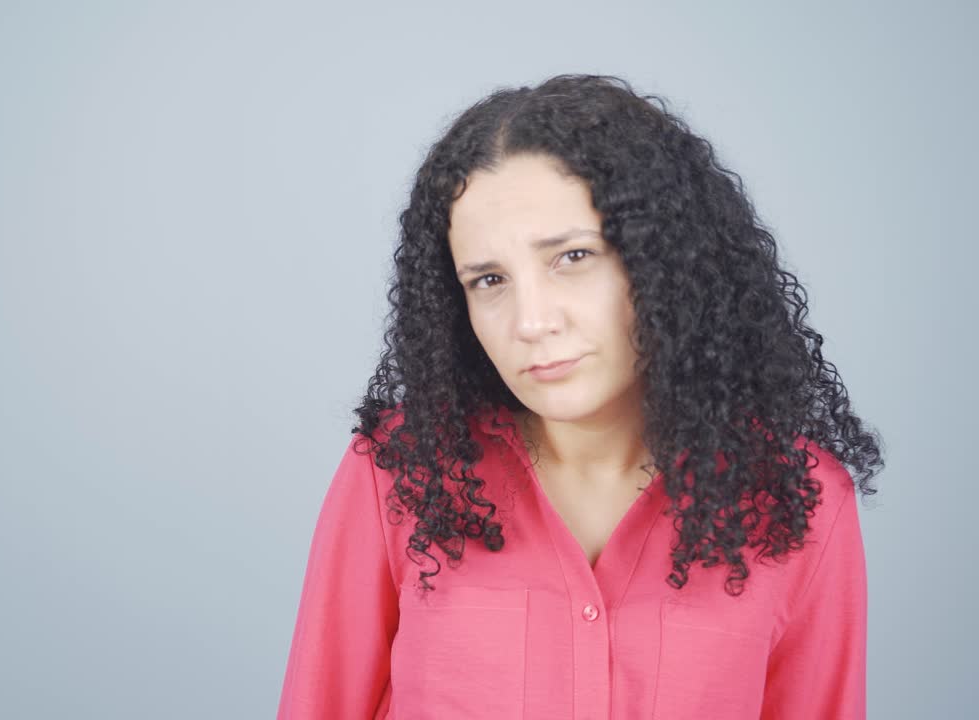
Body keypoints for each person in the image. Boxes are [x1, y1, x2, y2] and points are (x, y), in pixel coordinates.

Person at [276, 73, 884, 719]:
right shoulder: (399, 471)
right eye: (488, 280)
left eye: (571, 257)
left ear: (663, 262)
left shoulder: (798, 500)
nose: (531, 322)